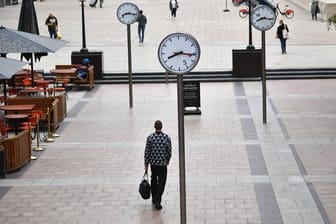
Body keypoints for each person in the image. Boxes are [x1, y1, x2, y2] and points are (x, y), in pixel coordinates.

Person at [144, 120, 172, 210]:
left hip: (153, 163)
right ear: (161, 127)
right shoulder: (166, 138)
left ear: (154, 127)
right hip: (162, 164)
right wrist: (167, 160)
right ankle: (158, 200)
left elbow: (147, 151)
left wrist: (146, 163)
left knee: (153, 179)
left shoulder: (150, 138)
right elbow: (169, 151)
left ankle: (154, 198)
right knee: (162, 182)